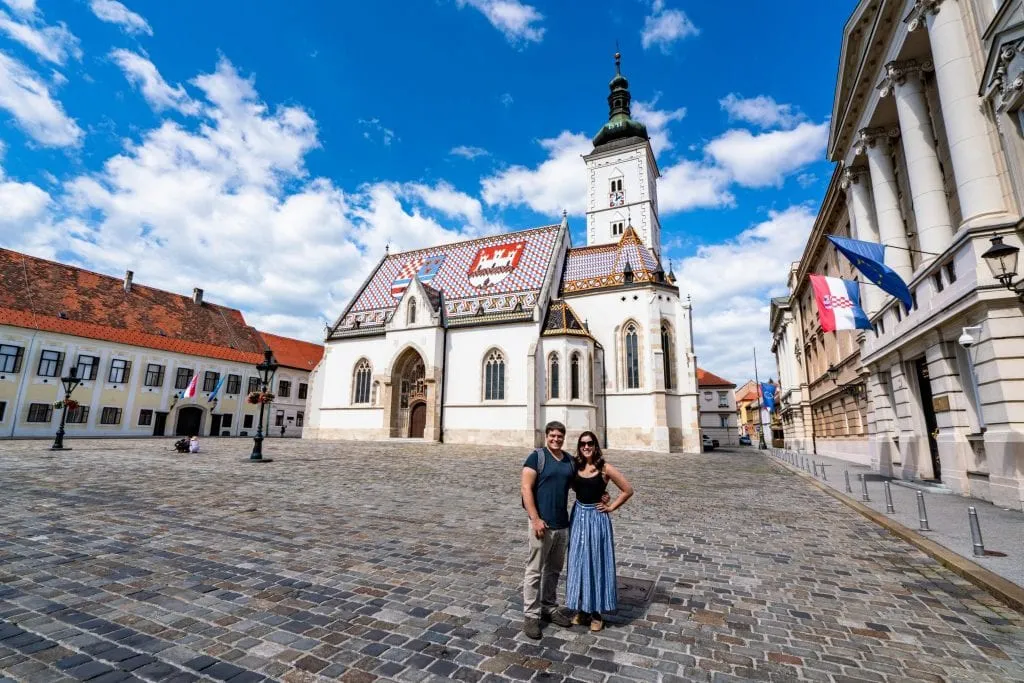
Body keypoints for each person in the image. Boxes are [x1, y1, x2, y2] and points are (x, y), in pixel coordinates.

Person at [565, 430, 633, 632]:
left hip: (597, 519)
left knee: (596, 562)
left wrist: (611, 506)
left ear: (596, 446)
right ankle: (583, 609)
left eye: (590, 443)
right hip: (578, 517)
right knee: (578, 561)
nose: (586, 447)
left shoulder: (605, 468)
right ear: (579, 447)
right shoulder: (575, 467)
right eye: (583, 444)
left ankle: (597, 612)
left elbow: (628, 490)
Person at [520, 421, 576, 639]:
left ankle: (548, 607)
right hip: (541, 524)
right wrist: (535, 519)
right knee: (534, 571)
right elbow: (526, 487)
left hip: (562, 524)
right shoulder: (537, 457)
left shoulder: (569, 460)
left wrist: (601, 495)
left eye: (559, 436)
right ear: (546, 436)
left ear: (564, 437)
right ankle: (531, 615)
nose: (556, 439)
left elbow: (578, 485)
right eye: (552, 436)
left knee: (554, 570)